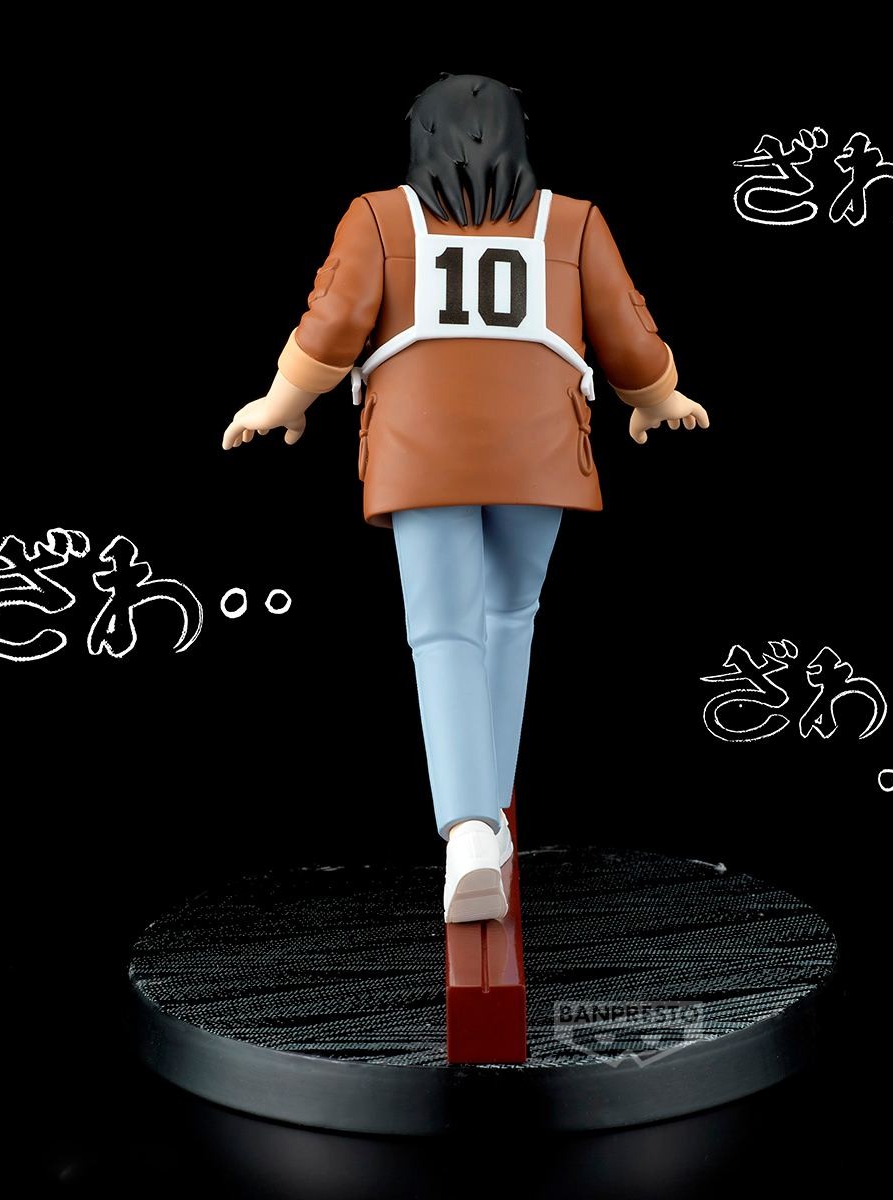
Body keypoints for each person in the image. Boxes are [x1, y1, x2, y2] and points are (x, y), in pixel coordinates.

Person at [222, 74, 709, 923]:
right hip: (541, 453)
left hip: (421, 454)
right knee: (510, 618)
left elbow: (332, 326)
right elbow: (628, 335)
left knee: (444, 631)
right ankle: (490, 816)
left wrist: (280, 402)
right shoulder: (572, 221)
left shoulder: (380, 218)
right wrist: (658, 398)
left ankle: (471, 829)